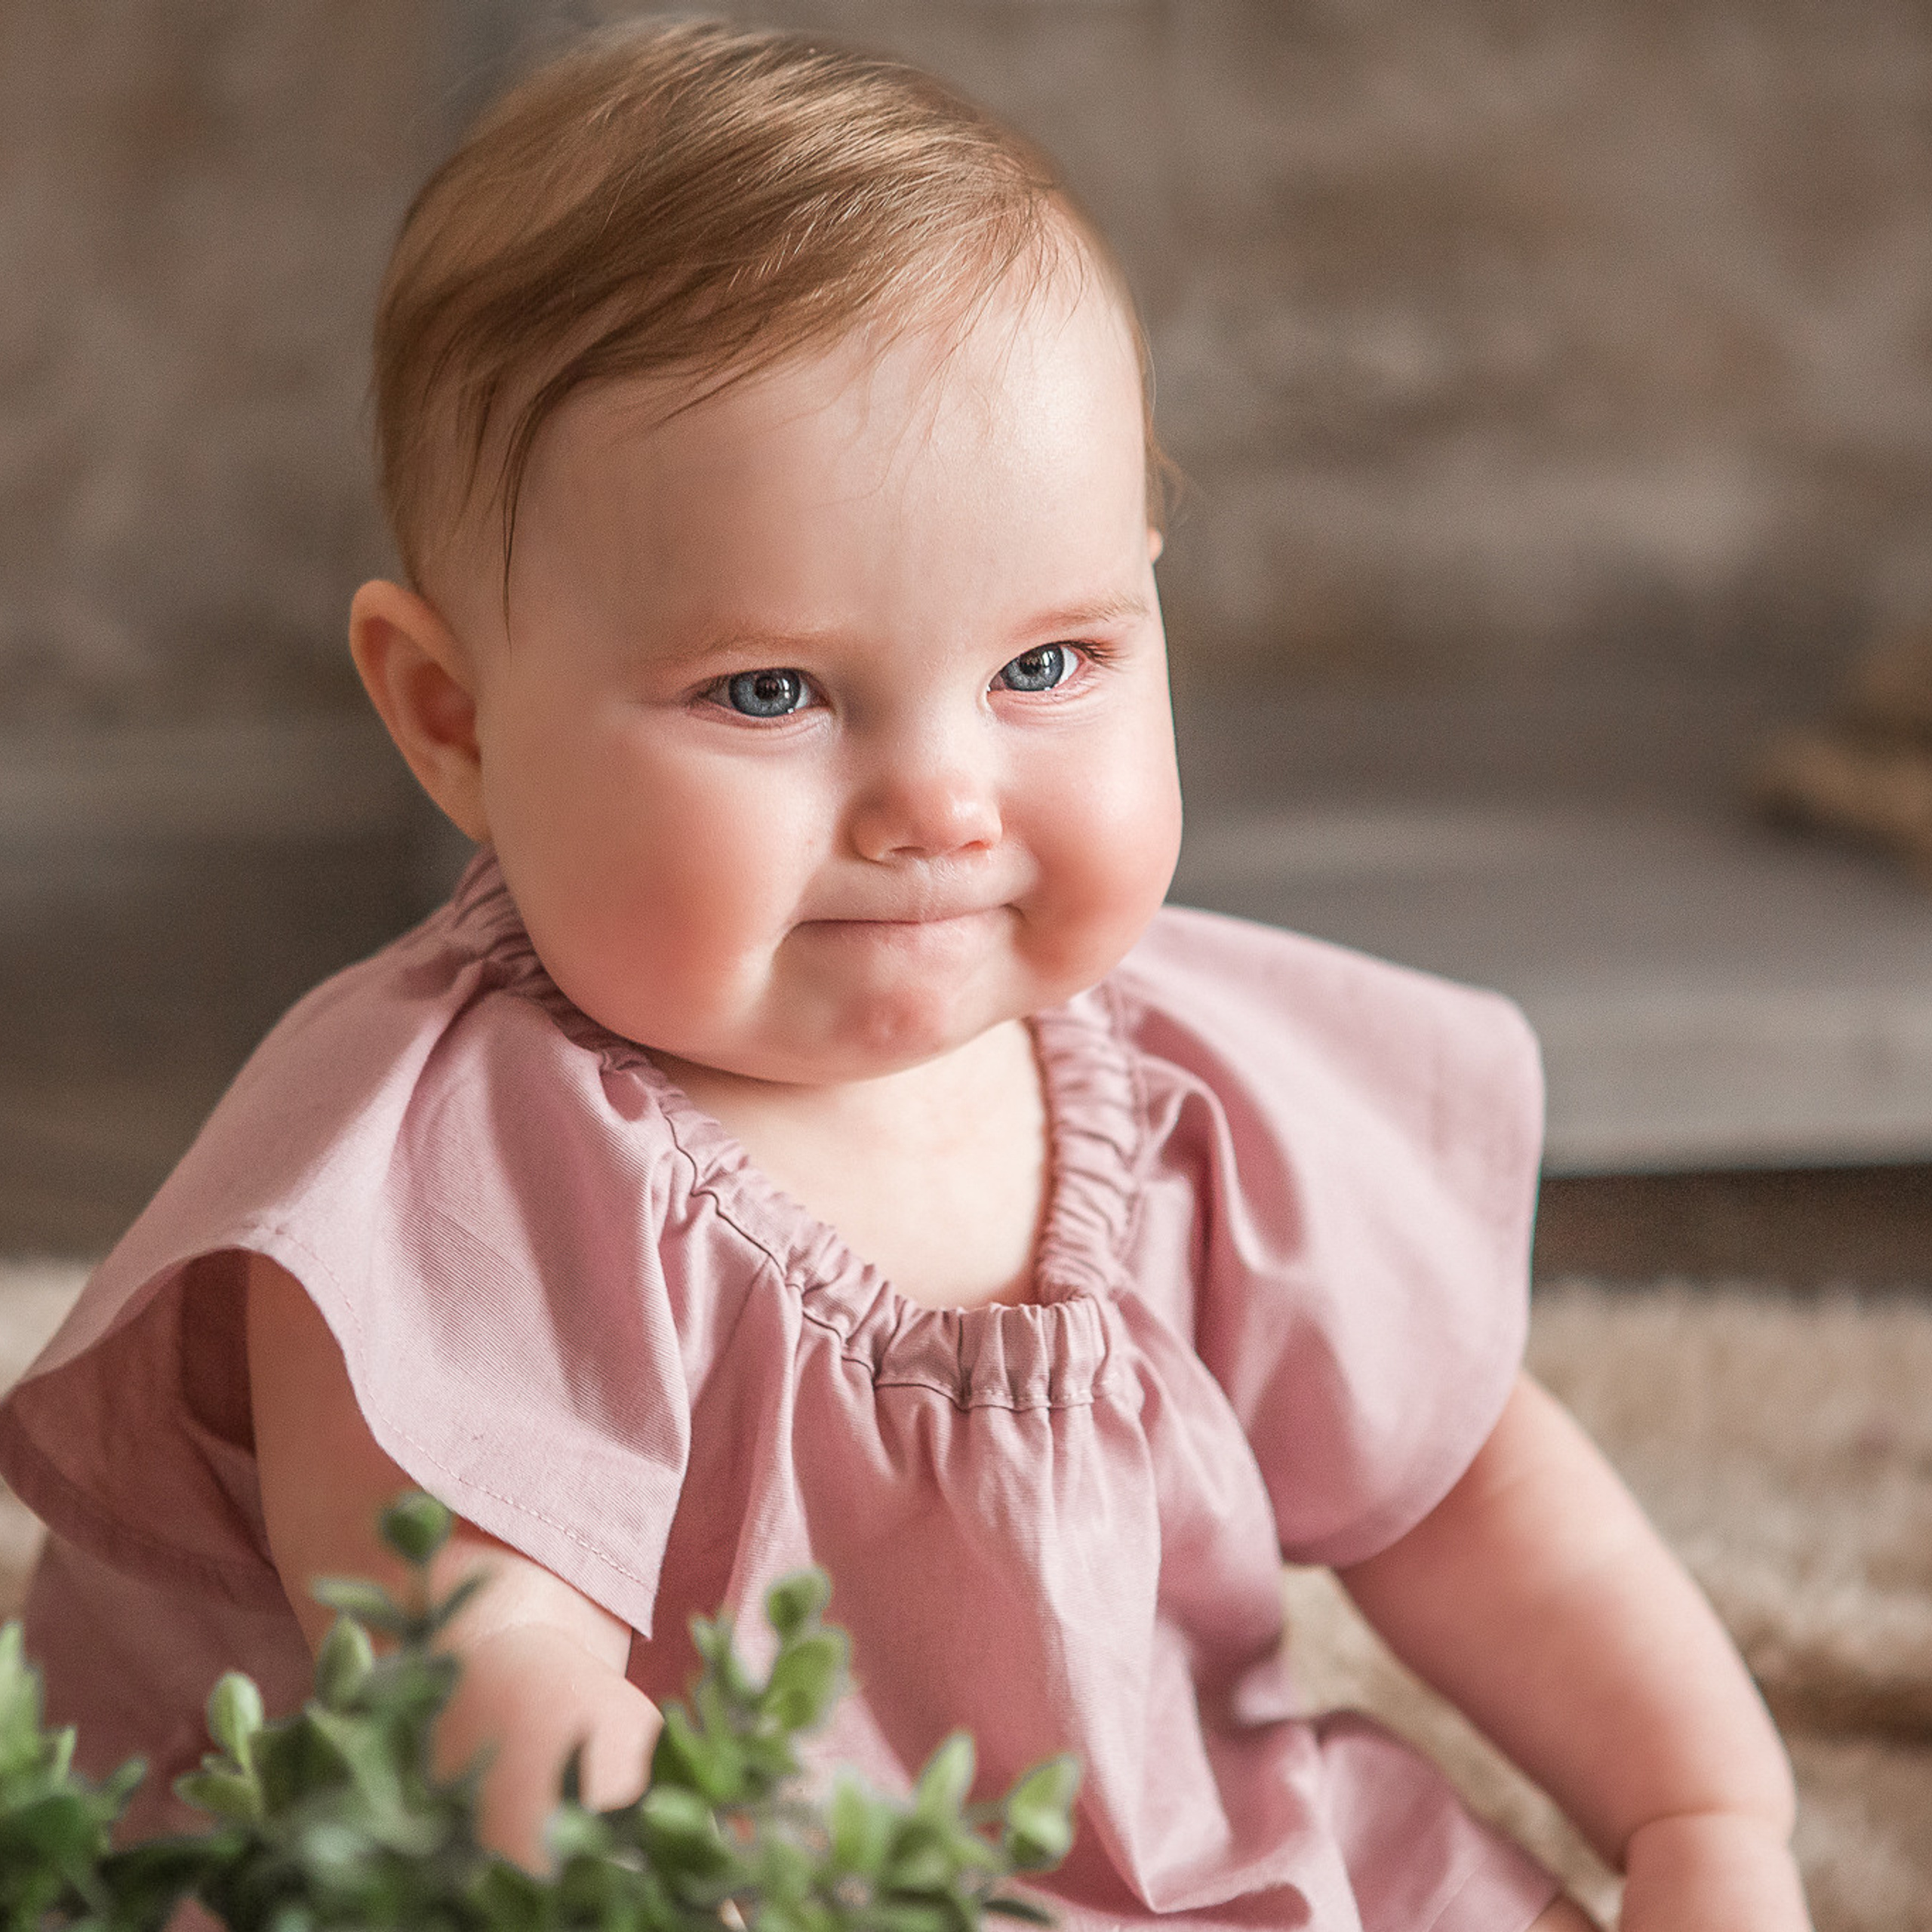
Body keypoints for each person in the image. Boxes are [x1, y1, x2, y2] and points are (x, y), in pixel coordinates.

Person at [0, 22, 1808, 1930]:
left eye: (1049, 665)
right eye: (770, 690)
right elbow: (486, 1681)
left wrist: (1701, 1812)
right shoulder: (454, 1169)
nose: (943, 800)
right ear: (452, 718)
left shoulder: (1188, 1089)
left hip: (1181, 1841)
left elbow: (1466, 1488)